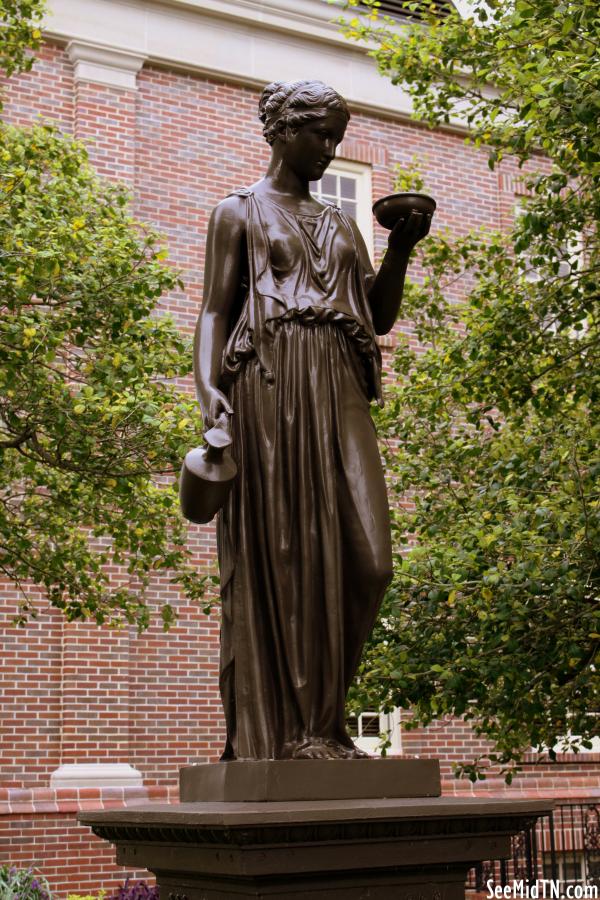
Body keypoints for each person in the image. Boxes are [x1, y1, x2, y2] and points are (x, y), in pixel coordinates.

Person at [194, 80, 430, 761]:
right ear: (281, 130)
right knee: (291, 555)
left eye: (336, 137)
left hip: (342, 385)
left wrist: (402, 249)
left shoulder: (339, 224)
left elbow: (378, 317)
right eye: (318, 135)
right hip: (270, 385)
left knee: (370, 561)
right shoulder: (237, 213)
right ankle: (305, 734)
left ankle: (323, 719)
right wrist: (212, 397)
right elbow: (213, 313)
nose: (329, 150)